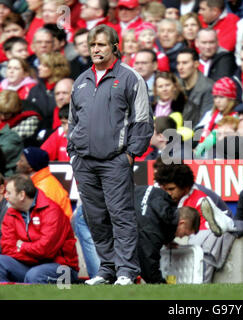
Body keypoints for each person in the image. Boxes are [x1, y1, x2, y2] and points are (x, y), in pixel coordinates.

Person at [68, 25, 153, 286]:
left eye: (101, 45)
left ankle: (127, 271)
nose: (95, 49)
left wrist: (129, 155)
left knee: (121, 215)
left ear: (115, 47)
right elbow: (72, 122)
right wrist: (73, 154)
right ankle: (107, 269)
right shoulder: (80, 80)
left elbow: (143, 121)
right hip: (84, 162)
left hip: (115, 161)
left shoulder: (130, 77)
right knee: (95, 217)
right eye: (93, 45)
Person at [0, 174, 79, 283]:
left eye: (9, 193)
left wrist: (21, 245)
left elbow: (45, 250)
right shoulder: (11, 212)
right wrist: (32, 252)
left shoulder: (52, 211)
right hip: (29, 265)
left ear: (22, 195)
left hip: (62, 267)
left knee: (35, 275)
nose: (5, 196)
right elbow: (7, 247)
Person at [134, 185, 200, 283]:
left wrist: (167, 239)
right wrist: (161, 284)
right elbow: (149, 267)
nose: (182, 237)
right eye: (185, 233)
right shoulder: (153, 230)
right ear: (182, 223)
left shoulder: (161, 195)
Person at [16, 146, 73, 219]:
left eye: (21, 161)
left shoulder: (44, 189)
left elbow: (49, 220)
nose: (17, 163)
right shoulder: (37, 183)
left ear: (30, 167)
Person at [26, 52, 71, 132]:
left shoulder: (67, 87)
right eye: (39, 64)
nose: (39, 67)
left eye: (44, 65)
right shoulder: (35, 90)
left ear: (55, 68)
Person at [194, 76, 238, 145]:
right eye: (215, 97)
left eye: (221, 97)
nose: (217, 101)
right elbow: (197, 134)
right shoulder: (210, 114)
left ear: (230, 99)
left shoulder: (236, 117)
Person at [177, 47, 214, 126]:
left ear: (196, 64)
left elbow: (204, 120)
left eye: (185, 63)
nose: (180, 67)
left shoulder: (208, 87)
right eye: (178, 63)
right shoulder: (176, 85)